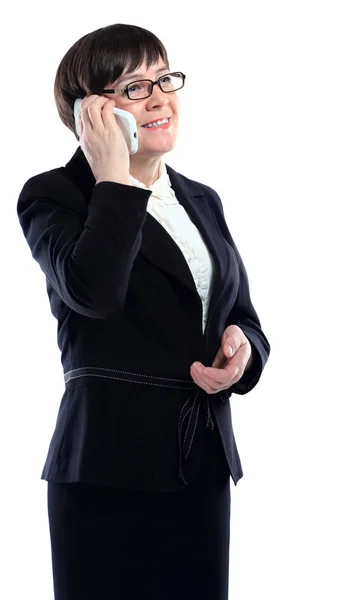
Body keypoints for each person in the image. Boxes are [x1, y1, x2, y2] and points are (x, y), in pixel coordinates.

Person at [16, 23, 270, 600]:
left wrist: (243, 352)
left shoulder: (202, 199)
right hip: (107, 467)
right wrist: (113, 176)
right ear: (92, 112)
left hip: (200, 463)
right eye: (134, 87)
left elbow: (244, 317)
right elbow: (94, 292)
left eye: (164, 78)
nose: (160, 98)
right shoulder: (54, 195)